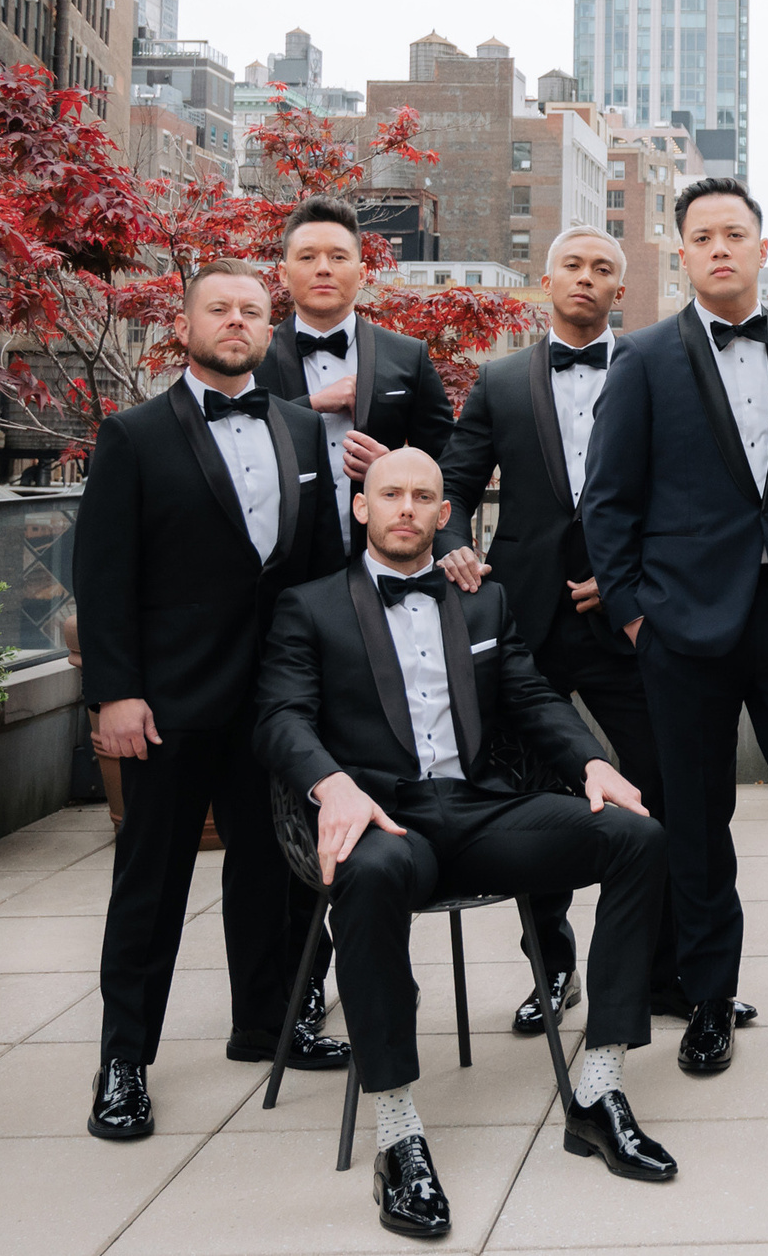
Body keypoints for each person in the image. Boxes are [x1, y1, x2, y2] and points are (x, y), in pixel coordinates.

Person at [254, 450, 677, 1239]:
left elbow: (531, 694)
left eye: (424, 495)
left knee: (637, 836)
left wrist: (592, 763)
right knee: (372, 873)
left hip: (482, 811)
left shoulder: (483, 602)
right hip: (385, 817)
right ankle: (398, 1131)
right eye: (391, 494)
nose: (407, 508)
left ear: (446, 514)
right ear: (361, 509)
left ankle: (599, 1084)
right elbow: (281, 716)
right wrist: (331, 784)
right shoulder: (308, 607)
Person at [579, 176, 768, 1074]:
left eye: (734, 234)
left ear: (761, 247)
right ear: (681, 253)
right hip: (682, 630)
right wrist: (634, 616)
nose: (719, 247)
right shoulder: (639, 358)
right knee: (698, 824)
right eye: (701, 235)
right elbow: (608, 501)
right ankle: (708, 999)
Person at [75, 260, 351, 1144]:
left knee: (276, 872)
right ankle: (124, 1062)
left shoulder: (306, 432)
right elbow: (104, 576)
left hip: (272, 702)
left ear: (269, 331)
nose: (237, 323)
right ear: (186, 324)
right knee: (149, 885)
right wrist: (113, 694)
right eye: (219, 309)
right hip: (166, 702)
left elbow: (313, 572)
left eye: (251, 313)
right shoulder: (132, 433)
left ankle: (267, 1023)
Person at [435, 225, 694, 1033]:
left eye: (603, 270)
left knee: (660, 787)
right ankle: (553, 969)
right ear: (546, 281)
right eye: (573, 266)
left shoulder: (658, 368)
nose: (587, 278)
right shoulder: (501, 379)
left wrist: (631, 580)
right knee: (528, 794)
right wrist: (454, 549)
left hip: (628, 622)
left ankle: (667, 971)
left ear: (623, 289)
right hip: (528, 622)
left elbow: (690, 495)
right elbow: (454, 483)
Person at [254, 194, 456, 558]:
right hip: (281, 563)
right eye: (307, 256)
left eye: (338, 256)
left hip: (385, 562)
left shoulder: (409, 356)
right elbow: (236, 443)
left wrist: (392, 467)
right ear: (283, 274)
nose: (323, 269)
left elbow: (450, 462)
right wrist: (310, 405)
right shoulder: (253, 359)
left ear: (362, 273)